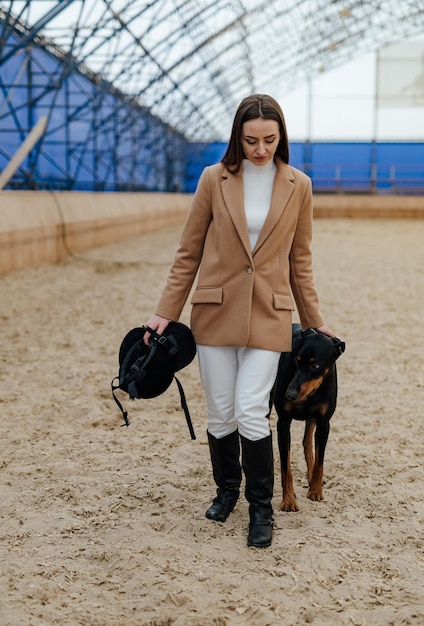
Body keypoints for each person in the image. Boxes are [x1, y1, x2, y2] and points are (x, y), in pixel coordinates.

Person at [144, 94, 337, 548]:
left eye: (270, 139)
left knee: (252, 409)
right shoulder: (213, 179)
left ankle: (260, 508)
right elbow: (188, 251)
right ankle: (226, 490)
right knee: (222, 412)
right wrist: (164, 312)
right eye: (252, 140)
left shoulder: (299, 185)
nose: (261, 149)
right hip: (214, 312)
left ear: (280, 137)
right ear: (238, 137)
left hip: (270, 316)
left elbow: (300, 260)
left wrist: (314, 320)